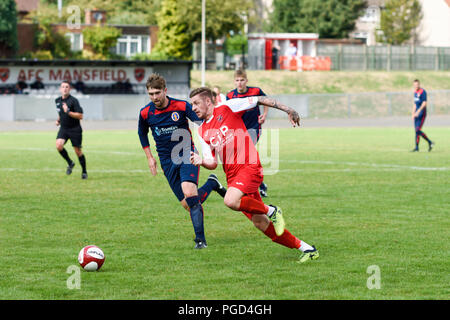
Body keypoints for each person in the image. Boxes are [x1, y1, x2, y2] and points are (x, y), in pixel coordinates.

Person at [189, 87, 319, 263]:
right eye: (192, 104)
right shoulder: (202, 131)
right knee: (261, 223)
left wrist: (289, 109)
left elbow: (258, 99)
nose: (194, 108)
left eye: (196, 103)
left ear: (208, 101)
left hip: (249, 166)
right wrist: (201, 161)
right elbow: (211, 163)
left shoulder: (228, 107)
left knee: (230, 200)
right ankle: (307, 249)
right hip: (233, 176)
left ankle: (272, 210)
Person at [138, 74, 226, 249]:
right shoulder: (146, 112)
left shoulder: (181, 106)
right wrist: (150, 158)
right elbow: (142, 133)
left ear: (165, 91)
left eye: (157, 92)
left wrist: (217, 136)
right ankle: (212, 184)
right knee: (188, 203)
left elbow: (202, 120)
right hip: (166, 161)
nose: (154, 97)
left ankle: (200, 240)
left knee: (189, 191)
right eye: (151, 94)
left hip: (187, 153)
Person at [226, 69, 269, 197]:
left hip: (254, 128)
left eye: (242, 80)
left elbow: (266, 100)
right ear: (234, 81)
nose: (239, 83)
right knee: (243, 159)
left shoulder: (255, 91)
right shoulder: (230, 95)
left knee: (245, 156)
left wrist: (264, 114)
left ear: (246, 81)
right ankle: (259, 185)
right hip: (238, 130)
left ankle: (254, 186)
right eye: (237, 80)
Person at [55, 81, 88, 179]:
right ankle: (70, 162)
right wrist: (58, 120)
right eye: (63, 87)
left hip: (75, 129)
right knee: (58, 145)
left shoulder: (74, 101)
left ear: (70, 89)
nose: (64, 89)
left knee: (78, 151)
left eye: (67, 87)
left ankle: (84, 171)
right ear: (60, 89)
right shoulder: (57, 101)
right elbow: (61, 113)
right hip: (64, 128)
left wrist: (68, 112)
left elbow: (80, 116)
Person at [411, 79, 434, 152]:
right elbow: (415, 104)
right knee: (416, 131)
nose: (416, 86)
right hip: (416, 114)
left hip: (422, 113)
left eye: (417, 85)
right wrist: (413, 113)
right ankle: (417, 148)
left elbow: (424, 103)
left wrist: (418, 111)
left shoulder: (422, 92)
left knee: (418, 130)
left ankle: (430, 142)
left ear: (419, 84)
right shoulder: (415, 92)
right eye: (414, 85)